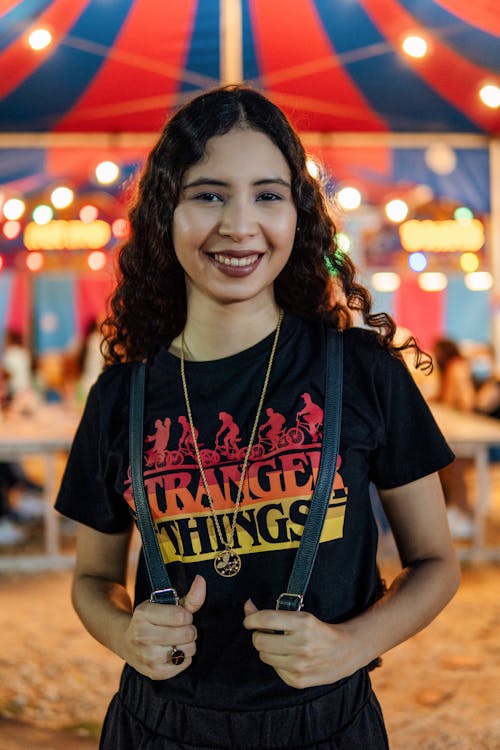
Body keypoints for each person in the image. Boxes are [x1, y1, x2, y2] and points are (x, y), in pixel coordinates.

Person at [55, 86, 460, 750]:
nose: (240, 225)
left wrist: (352, 645)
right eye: (208, 194)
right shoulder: (121, 397)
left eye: (268, 195)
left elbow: (438, 560)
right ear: (166, 213)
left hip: (328, 726)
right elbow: (92, 581)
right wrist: (126, 634)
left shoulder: (361, 371)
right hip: (159, 729)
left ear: (298, 215)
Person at [433, 338, 476, 538]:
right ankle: (458, 512)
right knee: (447, 463)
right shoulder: (456, 367)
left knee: (451, 463)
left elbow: (451, 400)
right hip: (466, 429)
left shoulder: (455, 367)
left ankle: (463, 514)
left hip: (474, 436)